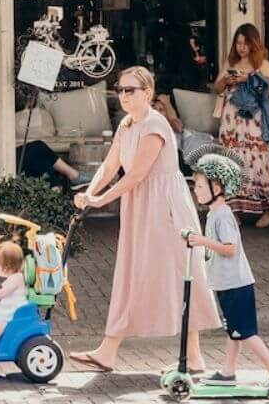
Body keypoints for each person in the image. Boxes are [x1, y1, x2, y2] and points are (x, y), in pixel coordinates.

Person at [68, 66, 221, 373]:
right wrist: (89, 191)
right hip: (140, 206)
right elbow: (110, 166)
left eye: (130, 90)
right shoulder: (126, 125)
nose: (123, 96)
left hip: (165, 208)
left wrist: (99, 200)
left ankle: (193, 356)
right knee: (131, 273)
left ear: (148, 93)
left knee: (180, 274)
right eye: (120, 90)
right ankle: (108, 350)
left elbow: (137, 174)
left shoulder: (155, 124)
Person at [186, 154, 269, 397]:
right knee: (234, 331)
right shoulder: (213, 213)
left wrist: (202, 242)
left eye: (200, 186)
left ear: (216, 188)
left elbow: (230, 249)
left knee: (246, 332)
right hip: (225, 284)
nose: (196, 191)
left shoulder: (223, 215)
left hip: (237, 284)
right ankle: (228, 372)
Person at [214, 24, 269, 228]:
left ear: (254, 43)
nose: (242, 47)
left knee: (257, 160)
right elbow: (216, 86)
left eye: (245, 43)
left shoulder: (263, 64)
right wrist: (227, 80)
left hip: (254, 120)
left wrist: (249, 78)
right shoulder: (230, 62)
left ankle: (268, 209)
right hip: (231, 119)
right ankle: (233, 210)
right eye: (239, 42)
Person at [0, 102, 91, 188]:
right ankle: (74, 175)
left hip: (4, 161)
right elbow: (4, 145)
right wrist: (28, 147)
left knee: (44, 164)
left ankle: (55, 196)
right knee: (38, 146)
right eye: (0, 107)